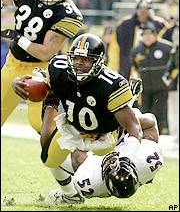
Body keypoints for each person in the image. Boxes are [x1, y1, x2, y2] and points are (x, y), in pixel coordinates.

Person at [12, 33, 143, 203]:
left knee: (102, 176)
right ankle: (70, 194)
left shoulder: (111, 84)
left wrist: (126, 157)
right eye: (76, 58)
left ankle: (129, 100)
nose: (79, 63)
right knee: (49, 159)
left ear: (98, 62)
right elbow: (40, 81)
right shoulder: (59, 69)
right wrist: (17, 82)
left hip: (105, 134)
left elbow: (135, 128)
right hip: (73, 127)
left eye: (86, 59)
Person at [1, 0, 84, 132]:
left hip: (39, 70)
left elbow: (45, 53)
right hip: (13, 62)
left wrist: (17, 37)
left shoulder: (66, 13)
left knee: (40, 123)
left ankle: (73, 150)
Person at [48, 108, 163, 202]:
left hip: (94, 164)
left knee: (52, 157)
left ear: (105, 177)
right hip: (126, 153)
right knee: (135, 113)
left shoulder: (88, 181)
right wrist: (120, 124)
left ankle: (70, 195)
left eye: (110, 167)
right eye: (116, 164)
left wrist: (97, 130)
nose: (112, 162)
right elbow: (151, 122)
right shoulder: (150, 161)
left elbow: (77, 152)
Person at [130, 22, 172, 135]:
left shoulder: (167, 48)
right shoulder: (136, 51)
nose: (147, 37)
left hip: (161, 87)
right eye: (145, 34)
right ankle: (145, 135)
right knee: (144, 112)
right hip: (144, 88)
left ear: (156, 35)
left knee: (159, 112)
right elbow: (134, 67)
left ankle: (159, 134)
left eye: (150, 34)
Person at [115, 0, 168, 79]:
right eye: (141, 8)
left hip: (152, 62)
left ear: (150, 9)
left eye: (146, 8)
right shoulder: (125, 24)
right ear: (137, 9)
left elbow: (166, 44)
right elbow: (117, 45)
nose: (143, 11)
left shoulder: (159, 24)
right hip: (129, 62)